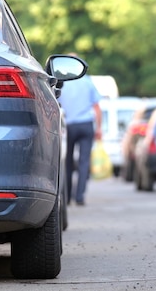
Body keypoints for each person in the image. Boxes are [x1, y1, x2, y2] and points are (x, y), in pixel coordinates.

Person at [57, 53, 102, 206]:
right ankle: (80, 196)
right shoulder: (88, 81)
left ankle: (68, 196)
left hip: (68, 126)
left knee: (67, 161)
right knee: (84, 162)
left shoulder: (62, 82)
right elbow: (96, 107)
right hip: (86, 124)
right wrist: (99, 128)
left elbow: (57, 105)